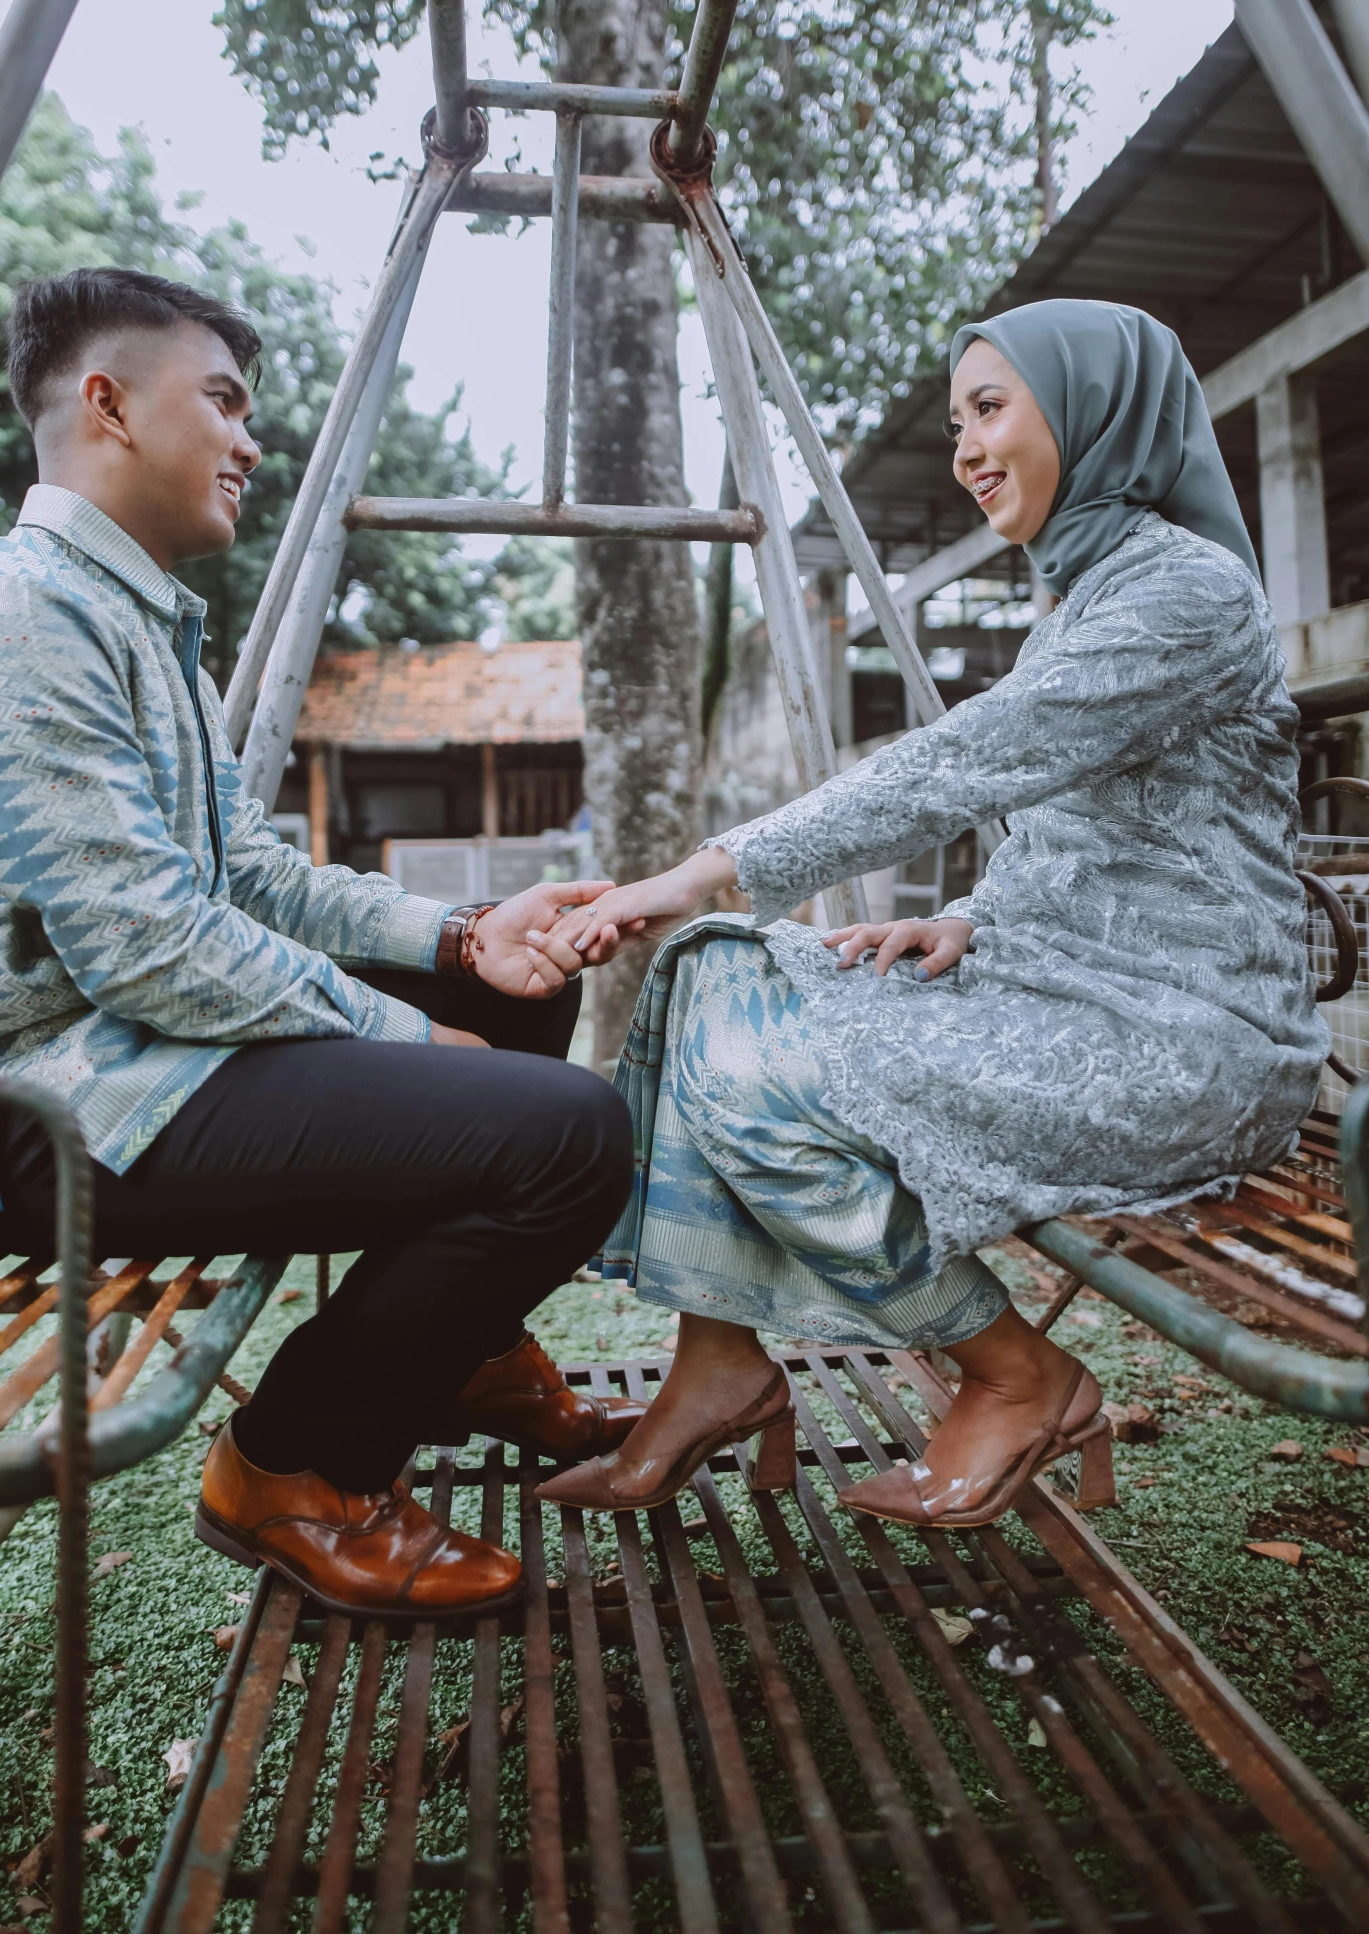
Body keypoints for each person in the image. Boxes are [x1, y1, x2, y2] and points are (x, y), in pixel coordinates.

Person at [0, 266, 637, 1622]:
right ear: (108, 405)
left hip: (124, 1049)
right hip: (31, 1112)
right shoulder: (7, 619)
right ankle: (291, 1466)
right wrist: (398, 1033)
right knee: (565, 1134)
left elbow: (242, 879)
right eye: (222, 400)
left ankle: (462, 1351)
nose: (248, 440)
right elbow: (145, 942)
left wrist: (452, 939)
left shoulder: (137, 620)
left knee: (504, 995)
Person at [520, 298, 1327, 1529]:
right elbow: (1071, 810)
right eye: (958, 419)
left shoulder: (1185, 592)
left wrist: (700, 864)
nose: (964, 447)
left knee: (755, 1070)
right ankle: (718, 1365)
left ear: (1097, 409)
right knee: (706, 975)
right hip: (1058, 988)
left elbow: (971, 760)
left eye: (990, 407)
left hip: (1184, 1038)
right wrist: (970, 914)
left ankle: (1018, 1376)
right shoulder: (1084, 592)